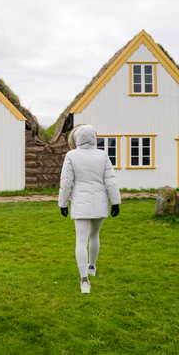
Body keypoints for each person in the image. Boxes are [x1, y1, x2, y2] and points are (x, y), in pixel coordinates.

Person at [58, 125, 121, 294]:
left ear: (77, 138)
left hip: (80, 202)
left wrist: (63, 203)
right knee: (94, 235)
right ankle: (92, 266)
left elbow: (66, 182)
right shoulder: (103, 155)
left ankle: (84, 280)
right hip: (100, 201)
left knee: (81, 239)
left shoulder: (71, 155)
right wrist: (115, 202)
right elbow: (110, 180)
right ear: (94, 137)